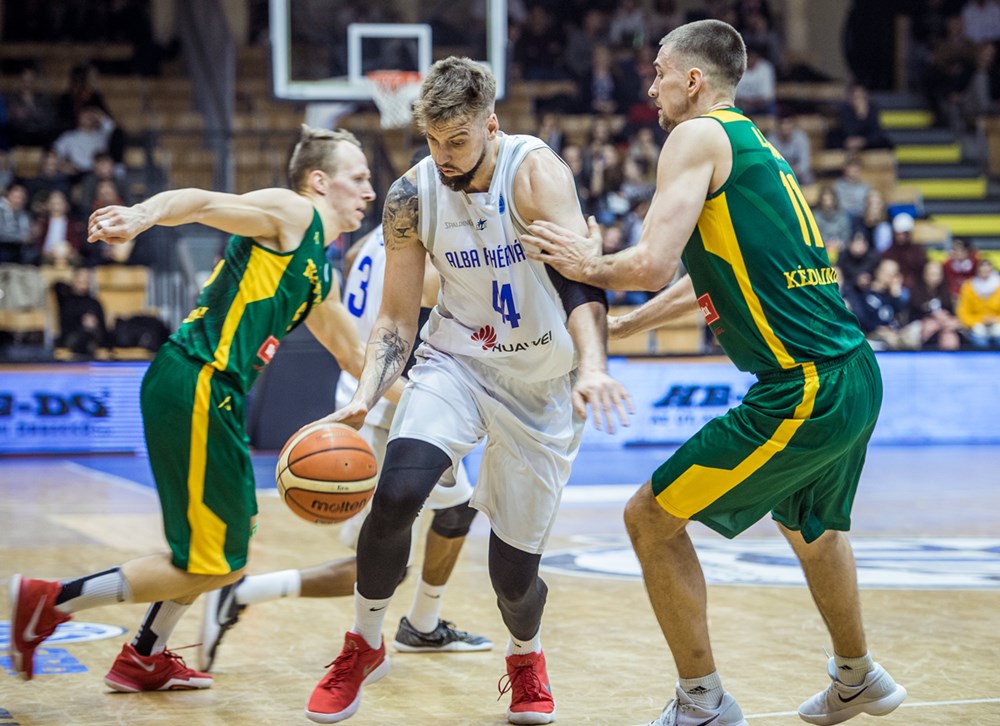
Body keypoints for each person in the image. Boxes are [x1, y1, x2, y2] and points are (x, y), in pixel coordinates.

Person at [522, 20, 906, 726]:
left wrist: (584, 266)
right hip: (850, 372)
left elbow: (652, 262)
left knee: (649, 518)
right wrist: (625, 324)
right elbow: (714, 269)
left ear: (692, 80)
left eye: (660, 73)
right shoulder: (750, 142)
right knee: (812, 530)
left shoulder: (693, 137)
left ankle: (702, 702)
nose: (652, 87)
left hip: (805, 385)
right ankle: (859, 679)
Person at [8, 126, 398, 693]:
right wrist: (140, 215)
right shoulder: (292, 212)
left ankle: (144, 654)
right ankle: (50, 602)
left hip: (216, 394)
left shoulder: (320, 274)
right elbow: (201, 202)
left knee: (229, 548)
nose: (370, 190)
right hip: (195, 379)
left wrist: (438, 410)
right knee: (210, 563)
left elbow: (358, 358)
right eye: (358, 177)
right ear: (319, 181)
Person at [304, 56, 631, 725]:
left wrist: (593, 366)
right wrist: (368, 393)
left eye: (458, 140)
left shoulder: (535, 173)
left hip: (543, 382)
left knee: (513, 577)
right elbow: (397, 318)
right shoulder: (410, 195)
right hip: (457, 364)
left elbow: (581, 282)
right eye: (432, 140)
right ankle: (363, 643)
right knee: (395, 495)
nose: (444, 155)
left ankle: (525, 655)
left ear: (491, 125)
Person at [197, 220, 492, 673]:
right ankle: (243, 592)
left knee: (457, 509)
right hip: (388, 406)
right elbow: (440, 293)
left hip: (376, 392)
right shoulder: (431, 237)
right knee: (383, 562)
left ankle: (423, 623)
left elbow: (354, 258)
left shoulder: (381, 233)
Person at [956, 257, 1000, 348]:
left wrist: (995, 320)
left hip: (997, 323)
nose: (985, 272)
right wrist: (979, 321)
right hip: (976, 325)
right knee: (979, 336)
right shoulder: (968, 287)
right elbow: (963, 312)